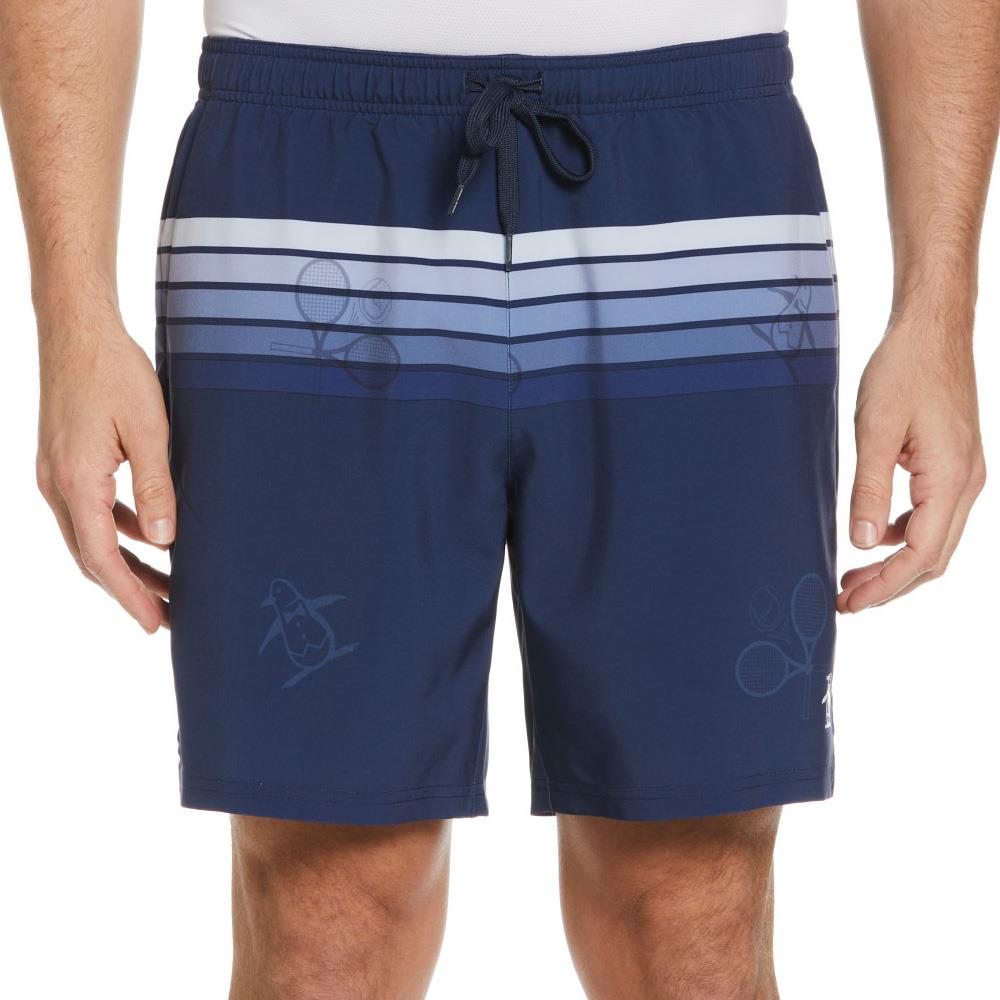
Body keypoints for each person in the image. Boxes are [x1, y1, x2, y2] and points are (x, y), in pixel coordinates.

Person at [0, 0, 994, 996]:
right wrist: (72, 314)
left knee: (693, 919)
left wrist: (938, 310)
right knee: (324, 925)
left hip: (701, 195)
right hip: (298, 185)